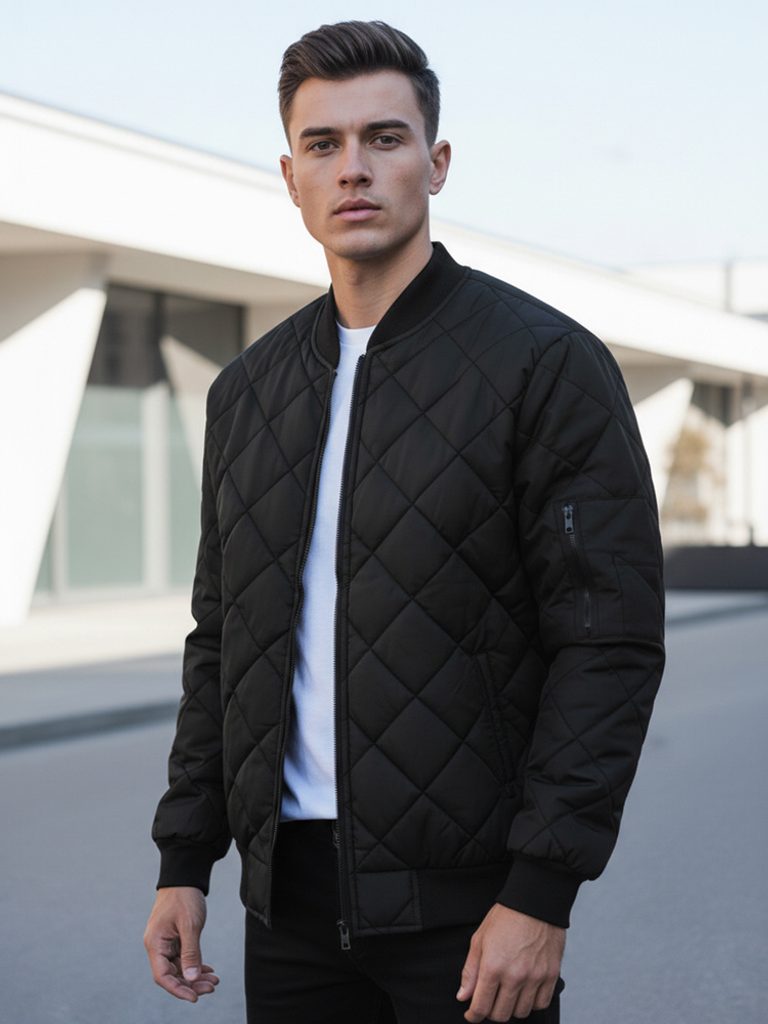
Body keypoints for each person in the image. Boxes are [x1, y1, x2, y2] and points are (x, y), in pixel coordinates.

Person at [143, 20, 665, 1024]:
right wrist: (184, 859)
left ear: (437, 162)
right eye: (324, 144)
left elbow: (607, 644)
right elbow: (222, 642)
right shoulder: (247, 392)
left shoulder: (543, 364)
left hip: (471, 915)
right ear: (291, 176)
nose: (354, 168)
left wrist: (541, 891)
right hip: (287, 911)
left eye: (384, 138)